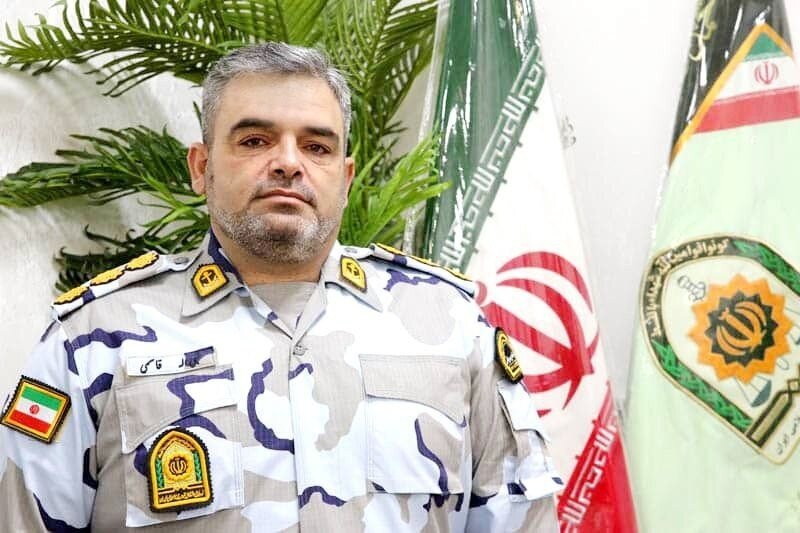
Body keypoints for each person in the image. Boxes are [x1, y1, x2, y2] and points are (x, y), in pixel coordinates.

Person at [0, 42, 563, 532]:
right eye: (254, 141)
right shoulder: (93, 341)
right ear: (201, 168)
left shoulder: (451, 328)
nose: (288, 163)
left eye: (317, 147)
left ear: (345, 178)